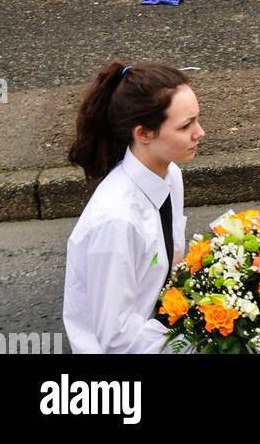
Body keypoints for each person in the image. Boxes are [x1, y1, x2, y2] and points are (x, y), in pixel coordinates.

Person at [62, 61, 204, 354]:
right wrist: (205, 346)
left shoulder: (169, 175)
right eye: (185, 125)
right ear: (143, 134)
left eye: (197, 120)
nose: (199, 132)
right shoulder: (116, 221)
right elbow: (117, 339)